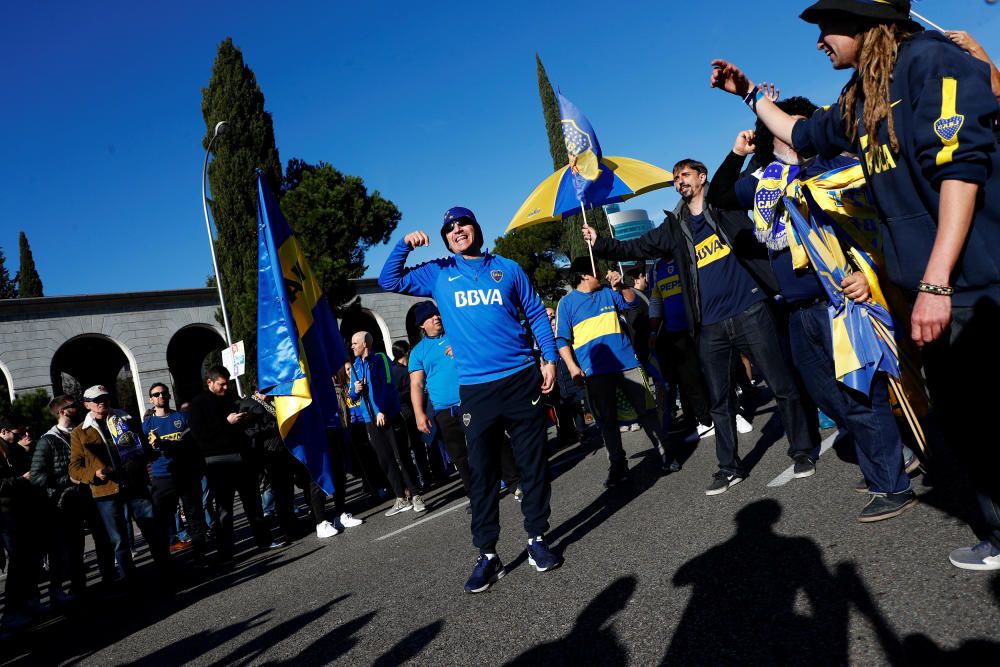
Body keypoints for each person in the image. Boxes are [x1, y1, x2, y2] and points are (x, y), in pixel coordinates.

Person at [710, 0, 1000, 568]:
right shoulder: (858, 99)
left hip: (973, 286)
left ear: (869, 21)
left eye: (827, 25)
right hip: (922, 290)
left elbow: (960, 170)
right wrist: (748, 95)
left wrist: (938, 283)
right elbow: (797, 129)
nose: (819, 39)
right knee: (967, 422)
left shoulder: (931, 62)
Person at [705, 98, 917, 522]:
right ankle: (885, 457)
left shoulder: (832, 167)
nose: (793, 132)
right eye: (781, 126)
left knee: (860, 390)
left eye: (798, 124)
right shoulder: (765, 181)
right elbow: (721, 195)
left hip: (840, 301)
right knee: (825, 394)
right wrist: (737, 153)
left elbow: (867, 225)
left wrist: (865, 272)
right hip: (797, 310)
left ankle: (892, 479)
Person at [583, 160, 818, 496]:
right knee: (718, 400)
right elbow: (636, 246)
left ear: (702, 177)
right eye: (675, 178)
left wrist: (739, 152)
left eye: (686, 175)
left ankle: (802, 451)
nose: (680, 182)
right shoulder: (675, 226)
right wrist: (601, 242)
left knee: (781, 383)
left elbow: (745, 177)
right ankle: (728, 467)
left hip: (750, 309)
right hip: (710, 325)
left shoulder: (724, 204)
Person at [379, 206, 563, 593]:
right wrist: (403, 245)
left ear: (476, 228)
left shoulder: (508, 269)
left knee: (531, 465)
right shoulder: (439, 272)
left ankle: (536, 539)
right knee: (481, 474)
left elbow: (534, 313)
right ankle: (488, 555)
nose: (457, 230)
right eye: (449, 228)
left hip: (521, 380)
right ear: (445, 239)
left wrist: (548, 359)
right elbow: (388, 277)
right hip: (477, 391)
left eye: (462, 223)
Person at [556, 257, 675, 485]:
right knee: (607, 421)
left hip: (627, 364)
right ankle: (618, 465)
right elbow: (561, 339)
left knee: (647, 411)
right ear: (583, 275)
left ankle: (665, 453)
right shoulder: (567, 303)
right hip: (595, 372)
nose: (600, 273)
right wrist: (572, 368)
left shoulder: (608, 292)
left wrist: (621, 286)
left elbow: (631, 303)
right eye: (595, 270)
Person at [68, 385, 169, 582]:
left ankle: (167, 572)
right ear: (87, 404)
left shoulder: (126, 420)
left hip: (135, 486)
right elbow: (74, 468)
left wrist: (145, 452)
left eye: (105, 398)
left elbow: (145, 449)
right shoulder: (80, 432)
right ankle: (130, 581)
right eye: (96, 400)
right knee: (119, 541)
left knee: (153, 532)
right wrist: (94, 474)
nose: (102, 403)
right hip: (105, 492)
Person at [187, 367, 279, 564]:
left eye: (227, 383)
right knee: (224, 508)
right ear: (209, 383)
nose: (225, 387)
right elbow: (199, 434)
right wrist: (226, 422)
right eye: (221, 384)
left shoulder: (232, 397)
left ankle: (264, 540)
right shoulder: (198, 404)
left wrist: (246, 418)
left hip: (242, 457)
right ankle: (226, 553)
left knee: (253, 503)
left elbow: (244, 416)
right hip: (217, 461)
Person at [349, 332, 426, 516]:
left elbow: (387, 384)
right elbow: (352, 395)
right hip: (370, 421)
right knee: (385, 459)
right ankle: (400, 497)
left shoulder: (380, 358)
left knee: (402, 455)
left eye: (354, 343)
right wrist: (355, 390)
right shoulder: (355, 367)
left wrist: (382, 409)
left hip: (389, 415)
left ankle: (416, 495)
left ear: (365, 344)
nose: (352, 346)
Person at [408, 301, 472, 497]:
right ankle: (475, 494)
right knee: (459, 456)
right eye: (430, 316)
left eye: (437, 313)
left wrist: (462, 348)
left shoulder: (458, 334)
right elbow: (417, 384)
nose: (436, 317)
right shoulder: (418, 351)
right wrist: (419, 414)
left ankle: (509, 479)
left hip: (471, 400)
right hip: (444, 410)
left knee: (488, 441)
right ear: (421, 324)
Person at [646, 255, 713, 439]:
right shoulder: (655, 268)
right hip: (675, 332)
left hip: (701, 324)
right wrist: (653, 333)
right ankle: (704, 420)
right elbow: (655, 302)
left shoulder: (684, 254)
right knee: (689, 378)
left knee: (712, 370)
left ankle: (732, 408)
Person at [142, 383, 210, 557]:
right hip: (162, 477)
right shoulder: (147, 424)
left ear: (169, 396)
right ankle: (165, 563)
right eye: (156, 394)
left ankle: (201, 555)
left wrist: (166, 444)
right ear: (151, 399)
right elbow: (142, 452)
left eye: (163, 393)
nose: (160, 396)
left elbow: (192, 445)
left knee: (194, 516)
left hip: (186, 474)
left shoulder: (182, 417)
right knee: (162, 521)